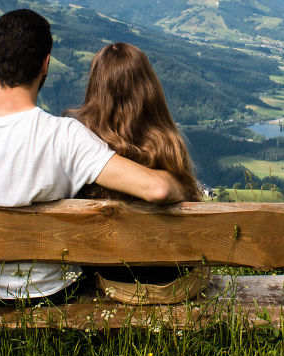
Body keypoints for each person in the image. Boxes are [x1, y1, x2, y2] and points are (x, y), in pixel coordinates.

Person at [0, 10, 186, 301]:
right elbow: (157, 189)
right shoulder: (66, 137)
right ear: (46, 63)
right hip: (48, 292)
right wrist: (179, 184)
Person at [65, 42, 205, 302]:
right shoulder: (169, 145)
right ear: (149, 88)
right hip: (176, 283)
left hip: (115, 282)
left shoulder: (85, 146)